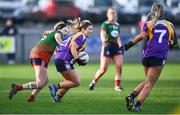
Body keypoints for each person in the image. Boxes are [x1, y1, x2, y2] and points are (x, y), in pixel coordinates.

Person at [124, 3, 178, 112]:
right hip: (159, 56)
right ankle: (137, 106)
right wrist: (169, 44)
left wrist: (128, 45)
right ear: (164, 12)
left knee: (148, 80)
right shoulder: (169, 25)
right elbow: (175, 43)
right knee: (149, 84)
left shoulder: (149, 24)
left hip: (147, 55)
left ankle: (132, 96)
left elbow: (141, 36)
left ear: (152, 12)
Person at [8, 21, 69, 102]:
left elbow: (56, 51)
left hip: (38, 56)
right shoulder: (57, 33)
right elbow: (58, 38)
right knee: (40, 83)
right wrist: (64, 46)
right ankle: (18, 87)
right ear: (59, 28)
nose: (66, 33)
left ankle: (31, 98)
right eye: (65, 30)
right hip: (40, 56)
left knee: (44, 81)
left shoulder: (51, 36)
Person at [49, 19, 93, 102]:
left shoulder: (78, 35)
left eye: (91, 29)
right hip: (64, 60)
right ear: (83, 29)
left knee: (69, 82)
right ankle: (54, 87)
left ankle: (58, 98)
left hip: (61, 59)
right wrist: (77, 59)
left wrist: (77, 59)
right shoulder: (81, 36)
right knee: (76, 82)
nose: (91, 31)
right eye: (89, 29)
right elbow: (73, 48)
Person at [89, 7, 124, 91]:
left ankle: (117, 86)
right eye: (111, 13)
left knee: (119, 66)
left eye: (113, 13)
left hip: (116, 47)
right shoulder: (105, 24)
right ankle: (93, 82)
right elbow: (102, 34)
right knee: (103, 69)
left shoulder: (117, 25)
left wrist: (121, 46)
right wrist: (104, 41)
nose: (112, 14)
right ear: (107, 14)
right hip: (108, 46)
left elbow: (118, 36)